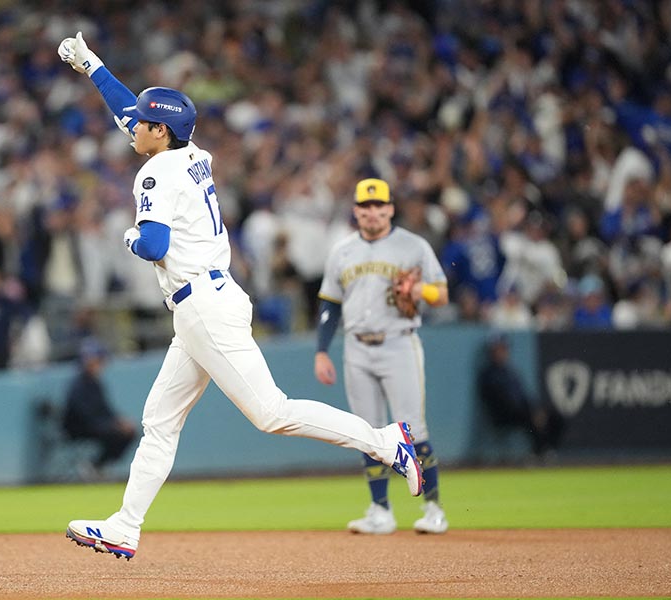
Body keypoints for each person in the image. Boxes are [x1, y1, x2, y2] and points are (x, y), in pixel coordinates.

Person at [57, 32, 423, 560]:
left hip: (203, 306)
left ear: (160, 131)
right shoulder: (188, 152)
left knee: (271, 412)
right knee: (160, 420)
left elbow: (153, 243)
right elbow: (128, 113)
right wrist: (91, 65)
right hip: (206, 301)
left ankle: (387, 442)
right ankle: (125, 526)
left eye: (143, 122)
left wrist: (128, 236)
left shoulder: (156, 171)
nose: (132, 125)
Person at [314, 178, 451, 535]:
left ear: (390, 208)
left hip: (399, 343)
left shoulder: (413, 245)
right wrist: (321, 351)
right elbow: (329, 303)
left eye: (379, 205)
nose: (372, 212)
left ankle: (433, 509)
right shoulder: (342, 250)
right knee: (368, 434)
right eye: (365, 206)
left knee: (413, 430)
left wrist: (420, 289)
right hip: (356, 346)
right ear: (356, 210)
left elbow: (442, 294)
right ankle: (380, 511)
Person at [477, 332, 563, 459]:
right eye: (497, 349)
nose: (501, 352)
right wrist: (531, 411)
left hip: (522, 410)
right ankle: (538, 452)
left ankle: (549, 450)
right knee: (530, 417)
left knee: (556, 416)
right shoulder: (488, 374)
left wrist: (536, 409)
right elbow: (500, 402)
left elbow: (524, 396)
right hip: (504, 415)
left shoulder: (511, 371)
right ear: (491, 352)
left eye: (503, 349)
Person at [62, 338, 137, 473]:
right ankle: (94, 466)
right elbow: (84, 415)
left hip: (96, 425)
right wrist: (112, 425)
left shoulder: (96, 383)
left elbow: (105, 409)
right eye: (96, 360)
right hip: (79, 428)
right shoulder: (78, 385)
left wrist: (118, 421)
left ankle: (97, 466)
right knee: (118, 434)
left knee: (128, 433)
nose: (99, 365)